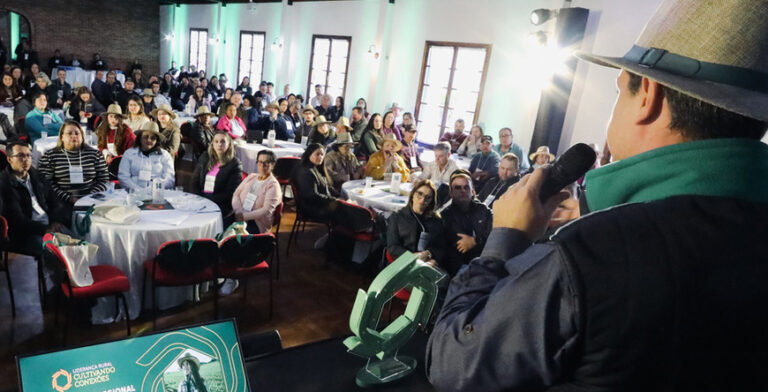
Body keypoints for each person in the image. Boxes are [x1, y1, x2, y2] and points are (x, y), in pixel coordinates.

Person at [427, 0, 768, 389]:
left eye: (619, 91)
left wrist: (504, 239)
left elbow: (453, 363)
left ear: (648, 97)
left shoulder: (595, 253)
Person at [0, 140, 69, 253]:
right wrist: (45, 229)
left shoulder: (37, 175)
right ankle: (55, 270)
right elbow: (17, 220)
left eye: (28, 155)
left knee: (78, 242)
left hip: (49, 225)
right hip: (27, 233)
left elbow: (54, 201)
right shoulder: (4, 184)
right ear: (9, 159)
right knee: (55, 252)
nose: (26, 159)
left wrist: (56, 221)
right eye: (20, 156)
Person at [38, 121, 108, 215]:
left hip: (92, 200)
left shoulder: (94, 154)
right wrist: (69, 199)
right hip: (61, 203)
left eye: (77, 133)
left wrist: (89, 198)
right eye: (69, 133)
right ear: (62, 137)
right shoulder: (50, 156)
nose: (74, 136)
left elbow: (104, 179)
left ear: (82, 136)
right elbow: (46, 182)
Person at [439, 170, 492, 276]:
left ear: (472, 191)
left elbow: (494, 235)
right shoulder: (445, 215)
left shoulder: (483, 210)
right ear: (451, 193)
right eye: (457, 188)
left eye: (466, 187)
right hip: (457, 268)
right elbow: (460, 245)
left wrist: (475, 241)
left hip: (484, 263)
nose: (462, 190)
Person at [386, 179, 445, 266]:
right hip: (402, 262)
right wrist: (413, 257)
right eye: (419, 194)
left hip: (428, 263)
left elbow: (442, 247)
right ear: (412, 194)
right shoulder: (397, 217)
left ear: (431, 202)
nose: (422, 200)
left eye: (428, 197)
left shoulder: (436, 220)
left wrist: (430, 253)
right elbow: (392, 247)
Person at [191, 131, 243, 225]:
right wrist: (198, 197)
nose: (219, 144)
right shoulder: (205, 157)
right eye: (216, 141)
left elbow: (230, 193)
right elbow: (194, 181)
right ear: (212, 144)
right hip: (200, 200)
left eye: (223, 141)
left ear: (229, 144)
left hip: (220, 205)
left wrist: (208, 201)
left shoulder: (235, 164)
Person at [232, 149, 282, 234]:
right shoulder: (251, 176)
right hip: (240, 214)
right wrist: (238, 211)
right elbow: (236, 194)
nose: (262, 166)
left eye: (266, 163)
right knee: (222, 225)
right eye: (260, 162)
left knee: (233, 236)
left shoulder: (273, 185)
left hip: (257, 222)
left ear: (272, 165)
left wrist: (244, 216)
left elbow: (266, 211)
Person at [291, 143, 341, 223]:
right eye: (317, 154)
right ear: (309, 154)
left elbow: (326, 187)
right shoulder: (305, 172)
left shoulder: (315, 167)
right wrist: (334, 201)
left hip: (317, 204)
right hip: (311, 208)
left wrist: (339, 196)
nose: (320, 157)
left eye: (322, 154)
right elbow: (311, 195)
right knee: (344, 210)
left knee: (346, 206)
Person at [117, 122, 174, 192]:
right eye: (146, 136)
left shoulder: (165, 155)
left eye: (153, 138)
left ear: (157, 140)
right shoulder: (129, 153)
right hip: (133, 194)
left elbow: (169, 179)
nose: (149, 140)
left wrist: (154, 189)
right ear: (140, 138)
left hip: (157, 193)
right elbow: (123, 177)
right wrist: (138, 190)